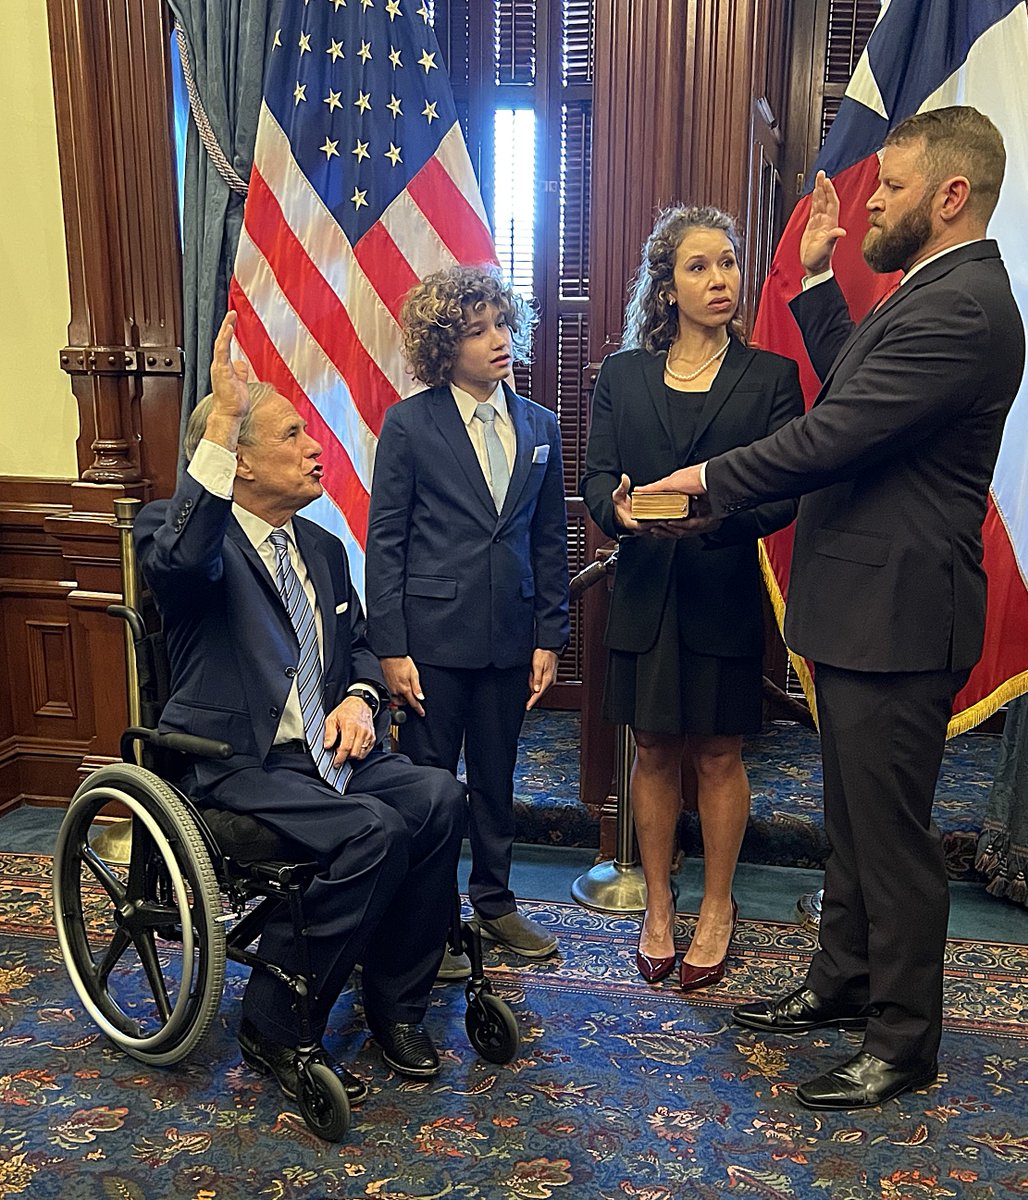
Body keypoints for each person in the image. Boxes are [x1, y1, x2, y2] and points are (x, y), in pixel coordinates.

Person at [641, 107, 1026, 1106]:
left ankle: (900, 1042)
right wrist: (813, 281)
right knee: (851, 828)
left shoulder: (962, 306)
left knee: (890, 844)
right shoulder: (933, 292)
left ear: (948, 197)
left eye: (888, 188)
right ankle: (842, 984)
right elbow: (863, 376)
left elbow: (838, 431)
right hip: (866, 611)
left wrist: (704, 476)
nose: (870, 204)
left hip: (897, 618)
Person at [136, 310, 467, 1101]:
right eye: (291, 435)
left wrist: (358, 698)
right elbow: (180, 558)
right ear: (239, 464)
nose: (316, 446)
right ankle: (275, 1024)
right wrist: (220, 415)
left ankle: (395, 1005)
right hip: (237, 765)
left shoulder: (319, 545)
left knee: (438, 796)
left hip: (330, 752)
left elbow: (354, 645)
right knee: (373, 831)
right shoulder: (189, 540)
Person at [581, 205, 803, 991]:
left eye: (729, 263)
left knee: (717, 751)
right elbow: (595, 478)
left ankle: (716, 905)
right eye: (699, 266)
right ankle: (659, 908)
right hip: (645, 587)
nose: (720, 280)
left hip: (722, 588)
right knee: (655, 748)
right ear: (666, 285)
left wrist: (718, 518)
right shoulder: (623, 375)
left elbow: (785, 493)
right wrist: (619, 510)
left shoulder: (771, 378)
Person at [366, 266, 570, 978]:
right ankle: (432, 919)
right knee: (430, 785)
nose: (498, 341)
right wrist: (390, 647)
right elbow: (385, 541)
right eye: (477, 330)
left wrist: (550, 635)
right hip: (430, 644)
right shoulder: (409, 423)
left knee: (496, 776)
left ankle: (495, 899)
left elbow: (549, 542)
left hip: (511, 640)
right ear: (443, 347)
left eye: (502, 325)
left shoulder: (540, 425)